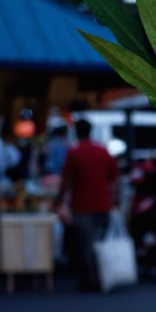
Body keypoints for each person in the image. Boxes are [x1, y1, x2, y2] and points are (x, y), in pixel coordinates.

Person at [56, 119, 120, 291]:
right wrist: (117, 202)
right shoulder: (102, 151)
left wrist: (59, 201)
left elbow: (65, 182)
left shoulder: (75, 153)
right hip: (103, 205)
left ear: (77, 132)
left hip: (82, 206)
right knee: (100, 244)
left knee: (85, 245)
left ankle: (92, 280)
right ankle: (103, 276)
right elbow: (116, 179)